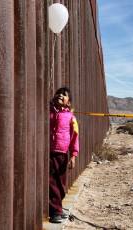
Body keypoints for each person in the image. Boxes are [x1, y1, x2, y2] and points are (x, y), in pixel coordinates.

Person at [49, 87, 79, 223]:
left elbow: (75, 137)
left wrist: (73, 155)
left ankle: (58, 207)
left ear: (69, 103)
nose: (60, 95)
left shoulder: (71, 117)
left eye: (64, 95)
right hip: (49, 152)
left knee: (61, 183)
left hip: (62, 154)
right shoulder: (48, 112)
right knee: (52, 182)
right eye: (58, 93)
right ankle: (56, 211)